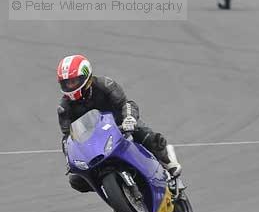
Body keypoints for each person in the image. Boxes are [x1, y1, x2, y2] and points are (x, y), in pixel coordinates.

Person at [57, 54, 182, 194]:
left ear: (85, 76)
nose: (70, 86)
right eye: (67, 83)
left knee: (144, 133)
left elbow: (126, 104)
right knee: (76, 180)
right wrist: (69, 157)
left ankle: (168, 161)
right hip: (94, 140)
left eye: (74, 81)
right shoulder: (64, 107)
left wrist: (129, 119)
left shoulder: (105, 84)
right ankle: (112, 192)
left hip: (120, 125)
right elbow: (68, 137)